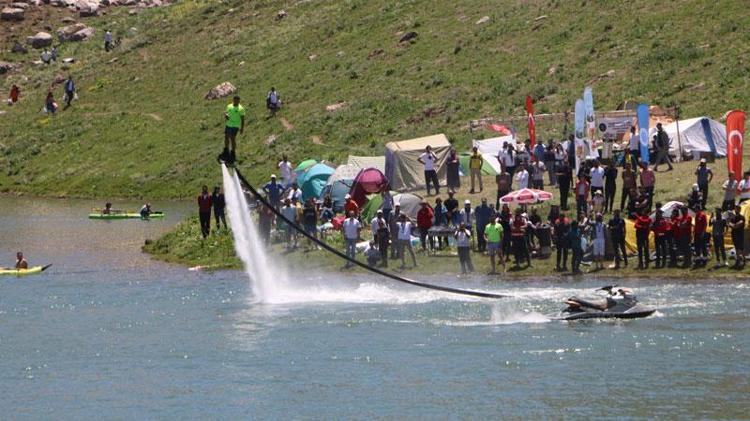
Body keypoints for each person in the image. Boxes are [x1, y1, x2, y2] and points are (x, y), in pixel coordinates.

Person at [222, 95, 245, 163]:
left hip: (235, 126)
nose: (236, 101)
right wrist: (226, 115)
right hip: (228, 124)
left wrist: (242, 128)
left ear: (239, 101)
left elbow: (242, 119)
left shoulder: (241, 109)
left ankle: (233, 152)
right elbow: (226, 112)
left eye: (237, 100)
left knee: (232, 138)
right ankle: (226, 150)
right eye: (234, 100)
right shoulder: (229, 106)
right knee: (226, 137)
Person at [728, 205, 745, 269]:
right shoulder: (733, 218)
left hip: (740, 235)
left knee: (740, 248)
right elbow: (730, 224)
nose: (736, 210)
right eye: (735, 209)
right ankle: (739, 260)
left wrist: (733, 225)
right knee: (737, 248)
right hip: (734, 235)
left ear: (740, 210)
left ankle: (741, 261)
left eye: (737, 209)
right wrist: (733, 225)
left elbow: (736, 226)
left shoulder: (742, 217)